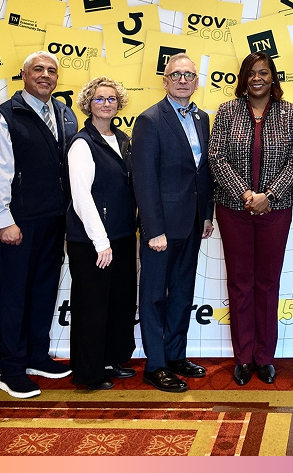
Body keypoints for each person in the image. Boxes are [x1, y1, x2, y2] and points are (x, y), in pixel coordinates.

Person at [0, 51, 79, 398]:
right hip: (18, 224)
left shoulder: (66, 114)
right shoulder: (4, 117)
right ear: (23, 74)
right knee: (14, 295)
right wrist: (4, 220)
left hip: (54, 220)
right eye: (38, 69)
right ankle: (12, 367)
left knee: (43, 291)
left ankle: (38, 354)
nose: (45, 75)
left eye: (52, 71)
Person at [208, 52, 293, 386]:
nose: (257, 78)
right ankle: (243, 357)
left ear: (273, 77)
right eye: (251, 73)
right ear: (243, 78)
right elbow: (216, 157)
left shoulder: (290, 113)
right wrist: (245, 195)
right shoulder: (226, 111)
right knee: (239, 283)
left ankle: (265, 357)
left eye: (263, 72)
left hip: (275, 212)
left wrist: (269, 196)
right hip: (233, 210)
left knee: (267, 282)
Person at [132, 53, 214, 393]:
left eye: (189, 75)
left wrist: (206, 214)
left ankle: (176, 355)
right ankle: (156, 365)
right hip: (162, 229)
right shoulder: (150, 119)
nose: (183, 80)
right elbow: (144, 178)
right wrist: (153, 229)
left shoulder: (202, 117)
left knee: (182, 293)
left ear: (197, 82)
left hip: (193, 224)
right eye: (176, 75)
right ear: (165, 81)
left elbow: (203, 172)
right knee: (154, 296)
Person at [66, 77, 138, 391]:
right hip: (92, 242)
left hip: (122, 235)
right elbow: (82, 197)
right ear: (88, 104)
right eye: (99, 99)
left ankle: (110, 359)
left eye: (111, 99)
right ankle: (87, 373)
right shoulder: (83, 143)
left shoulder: (122, 139)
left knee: (118, 303)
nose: (106, 103)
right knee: (92, 307)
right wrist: (100, 241)